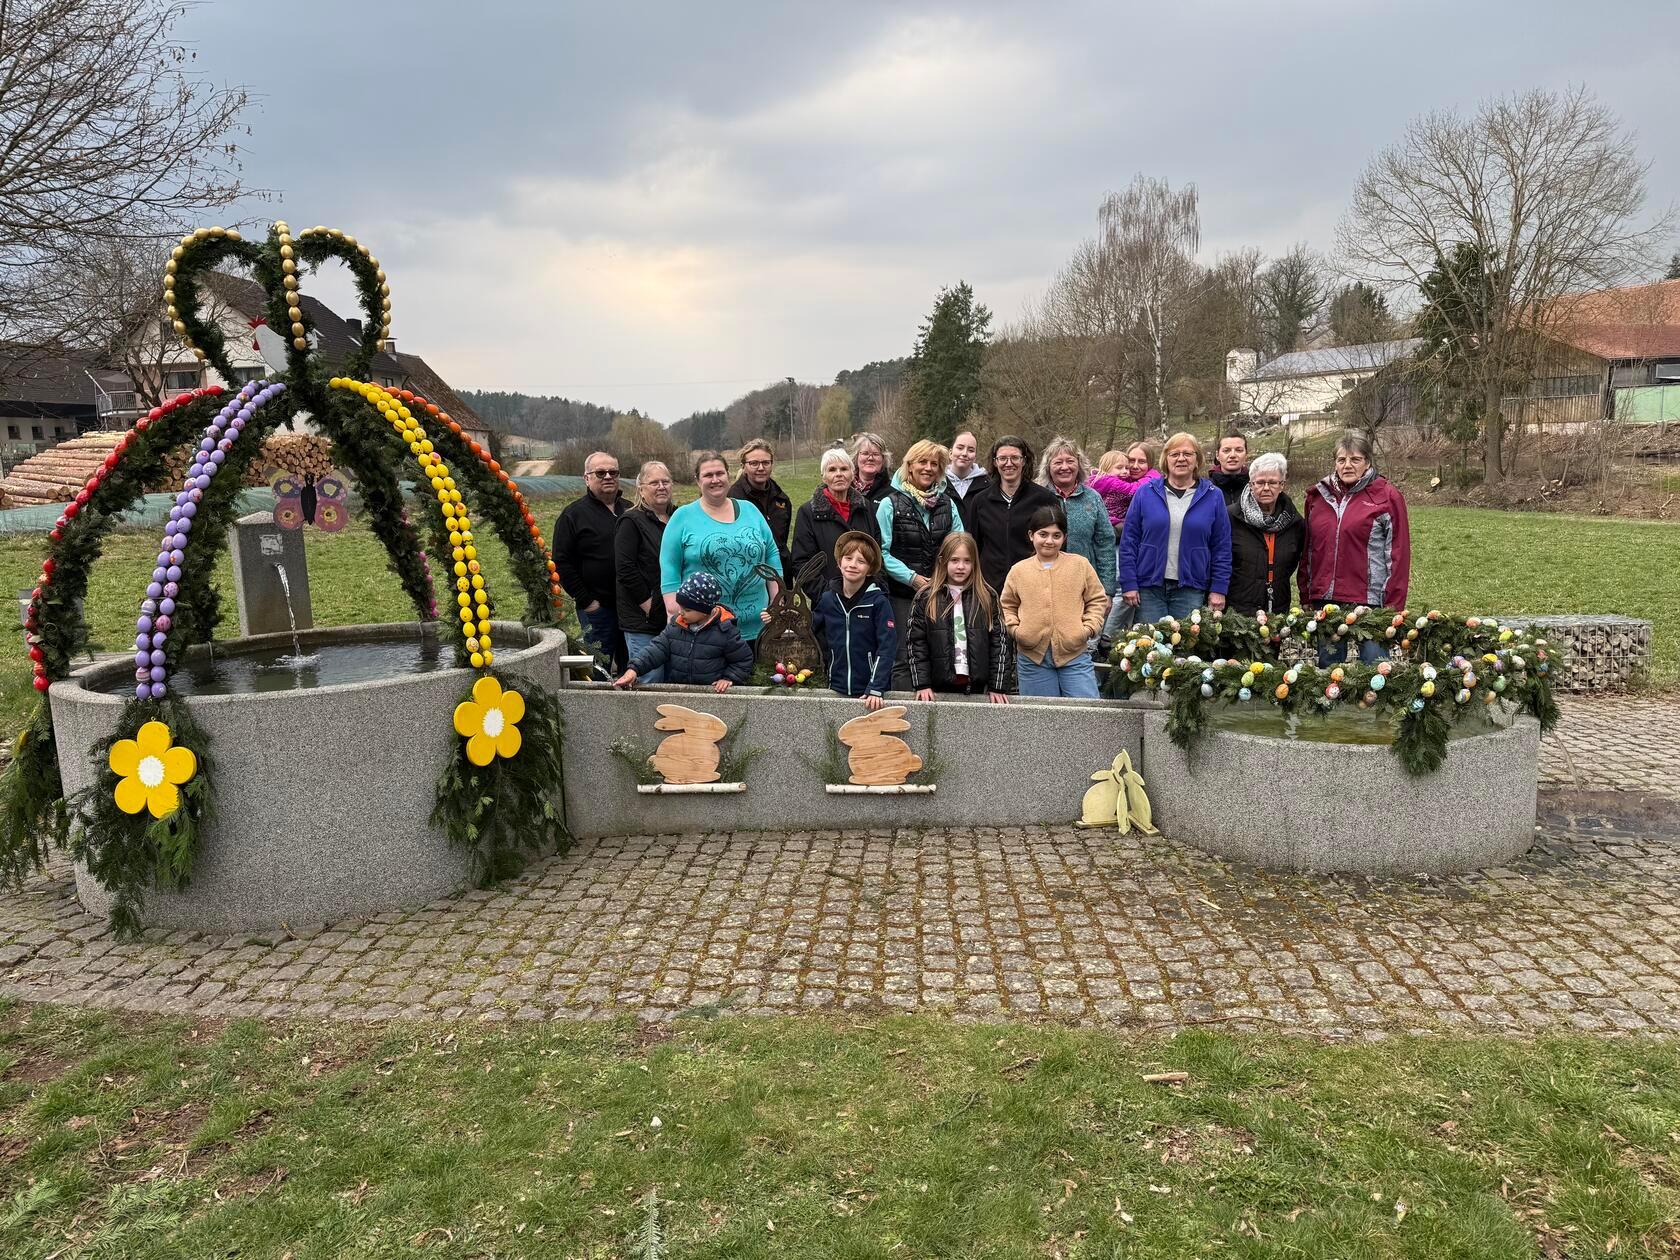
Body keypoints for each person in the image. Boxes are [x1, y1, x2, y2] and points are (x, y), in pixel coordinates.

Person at [1299, 431, 1411, 665]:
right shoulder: (1317, 497)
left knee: (1375, 667)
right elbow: (1308, 550)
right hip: (1326, 599)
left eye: (1355, 459)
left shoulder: (1386, 497)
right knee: (1329, 671)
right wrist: (1307, 592)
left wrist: (1394, 605)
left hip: (1371, 600)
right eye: (1341, 460)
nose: (1347, 465)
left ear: (1368, 462)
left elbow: (1398, 553)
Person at [659, 451, 780, 644]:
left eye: (720, 473)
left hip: (759, 630)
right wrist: (675, 613)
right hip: (706, 632)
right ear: (697, 480)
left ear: (729, 476)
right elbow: (670, 568)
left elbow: (771, 554)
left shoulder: (750, 510)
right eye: (708, 475)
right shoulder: (683, 517)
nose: (715, 480)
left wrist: (777, 601)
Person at [876, 438, 962, 689]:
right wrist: (912, 578)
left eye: (934, 463)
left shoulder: (948, 504)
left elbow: (959, 546)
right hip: (902, 595)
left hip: (941, 592)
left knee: (941, 654)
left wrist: (940, 578)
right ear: (909, 466)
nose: (928, 468)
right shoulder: (889, 504)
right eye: (922, 462)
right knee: (903, 656)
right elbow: (881, 552)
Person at [1118, 431, 1231, 623]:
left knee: (1185, 650)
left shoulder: (1213, 496)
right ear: (1165, 459)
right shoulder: (1146, 492)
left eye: (1188, 454)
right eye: (1175, 454)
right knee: (1149, 649)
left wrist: (1219, 588)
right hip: (1149, 588)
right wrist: (1128, 582)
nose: (1181, 459)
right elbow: (1129, 541)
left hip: (1190, 588)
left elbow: (1222, 547)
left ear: (1197, 460)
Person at [1000, 506, 1107, 699]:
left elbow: (1097, 600)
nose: (1049, 541)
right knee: (1039, 719)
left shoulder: (1080, 565)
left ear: (1064, 538)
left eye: (1056, 535)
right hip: (1033, 658)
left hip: (1074, 655)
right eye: (1043, 534)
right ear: (1031, 535)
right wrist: (1016, 630)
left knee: (1087, 714)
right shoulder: (1019, 570)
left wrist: (1087, 629)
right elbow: (1007, 605)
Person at [906, 532, 1010, 703]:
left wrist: (997, 685)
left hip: (977, 688)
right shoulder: (926, 596)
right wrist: (921, 684)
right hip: (936, 689)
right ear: (943, 561)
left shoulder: (986, 595)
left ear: (975, 563)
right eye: (954, 560)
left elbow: (1000, 642)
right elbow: (916, 643)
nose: (961, 566)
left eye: (967, 561)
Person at [613, 571, 753, 693]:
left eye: (687, 610)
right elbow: (655, 649)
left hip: (711, 694)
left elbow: (743, 660)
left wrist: (729, 678)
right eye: (680, 607)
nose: (681, 612)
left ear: (705, 611)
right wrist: (634, 669)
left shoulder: (725, 631)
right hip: (680, 691)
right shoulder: (676, 627)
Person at [553, 449, 629, 671]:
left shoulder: (631, 510)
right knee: (599, 668)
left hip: (632, 608)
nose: (608, 477)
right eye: (600, 472)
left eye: (613, 472)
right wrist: (587, 601)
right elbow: (562, 562)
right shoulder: (572, 516)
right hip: (598, 609)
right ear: (586, 478)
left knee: (633, 667)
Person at [968, 434, 1058, 600]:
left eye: (1015, 458)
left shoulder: (1044, 499)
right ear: (995, 462)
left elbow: (1056, 547)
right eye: (1002, 458)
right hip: (990, 589)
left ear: (1024, 460)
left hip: (1033, 588)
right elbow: (973, 546)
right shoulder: (980, 502)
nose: (1008, 463)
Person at [811, 531, 894, 710]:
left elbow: (887, 647)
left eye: (861, 561)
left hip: (869, 693)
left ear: (870, 569)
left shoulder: (878, 602)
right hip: (835, 687)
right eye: (848, 558)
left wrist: (876, 687)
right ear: (840, 563)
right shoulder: (827, 599)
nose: (853, 565)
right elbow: (810, 632)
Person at [1091, 442, 1160, 644]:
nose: (1132, 467)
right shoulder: (1108, 481)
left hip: (1135, 543)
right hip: (1113, 539)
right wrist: (1154, 477)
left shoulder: (1126, 478)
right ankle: (1104, 636)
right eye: (1130, 462)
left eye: (1142, 461)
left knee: (1128, 592)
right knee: (1118, 586)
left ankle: (1112, 635)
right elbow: (1134, 491)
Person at [790, 446, 880, 596]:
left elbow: (877, 553)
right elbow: (802, 563)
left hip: (865, 599)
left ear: (852, 474)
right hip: (828, 603)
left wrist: (873, 590)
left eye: (844, 469)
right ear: (824, 477)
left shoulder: (865, 507)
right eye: (832, 470)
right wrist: (827, 596)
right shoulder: (808, 512)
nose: (839, 474)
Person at [615, 460, 674, 682]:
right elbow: (625, 569)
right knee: (650, 679)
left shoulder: (677, 518)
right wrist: (648, 605)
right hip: (644, 621)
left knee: (671, 680)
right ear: (641, 488)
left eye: (665, 481)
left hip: (673, 618)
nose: (661, 486)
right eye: (654, 482)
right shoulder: (631, 521)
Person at [1036, 436, 1116, 599]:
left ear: (1079, 464)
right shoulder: (1037, 497)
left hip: (1084, 586)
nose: (1064, 467)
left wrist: (1107, 590)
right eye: (1058, 462)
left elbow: (1105, 543)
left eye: (1070, 461)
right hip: (1043, 587)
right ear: (1048, 467)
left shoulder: (1092, 498)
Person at [1226, 452, 1303, 618]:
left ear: (1282, 485)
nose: (1266, 488)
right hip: (1237, 608)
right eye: (1260, 482)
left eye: (1273, 482)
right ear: (1251, 484)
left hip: (1276, 608)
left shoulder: (1294, 522)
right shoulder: (1231, 517)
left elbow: (1293, 563)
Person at [729, 438, 792, 582]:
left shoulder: (781, 499)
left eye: (765, 462)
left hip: (780, 575)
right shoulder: (733, 499)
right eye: (754, 463)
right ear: (743, 466)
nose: (761, 468)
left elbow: (781, 541)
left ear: (771, 464)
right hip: (748, 577)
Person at [848, 431, 894, 508]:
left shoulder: (892, 493)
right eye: (865, 453)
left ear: (883, 459)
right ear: (856, 457)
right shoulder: (844, 488)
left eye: (875, 454)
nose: (870, 458)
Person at [946, 430, 989, 508]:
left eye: (971, 450)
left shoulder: (987, 486)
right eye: (960, 448)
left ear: (975, 457)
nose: (964, 453)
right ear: (950, 453)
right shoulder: (938, 482)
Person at [1209, 431, 1249, 504]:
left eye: (1239, 450)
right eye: (1226, 451)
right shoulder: (1206, 488)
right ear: (1217, 455)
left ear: (1246, 455)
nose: (1232, 455)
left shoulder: (1255, 486)